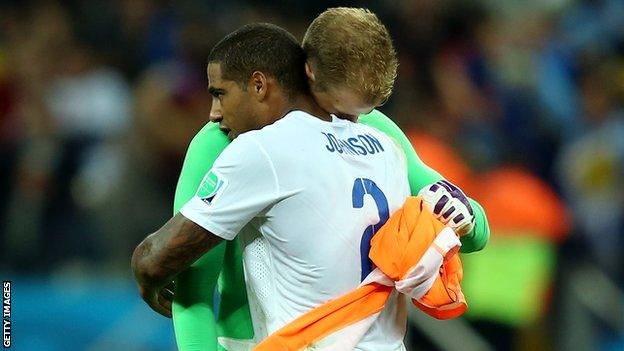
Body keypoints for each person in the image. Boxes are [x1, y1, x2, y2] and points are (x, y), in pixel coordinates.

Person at [170, 8, 490, 351]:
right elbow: (191, 285)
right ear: (311, 74)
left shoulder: (375, 129)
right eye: (345, 108)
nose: (350, 121)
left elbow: (475, 229)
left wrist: (462, 218)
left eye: (365, 110)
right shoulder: (223, 137)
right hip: (257, 341)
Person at [133, 22, 416, 350]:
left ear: (258, 85)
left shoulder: (262, 150)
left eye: (220, 93)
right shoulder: (384, 146)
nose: (214, 113)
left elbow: (156, 259)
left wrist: (145, 275)